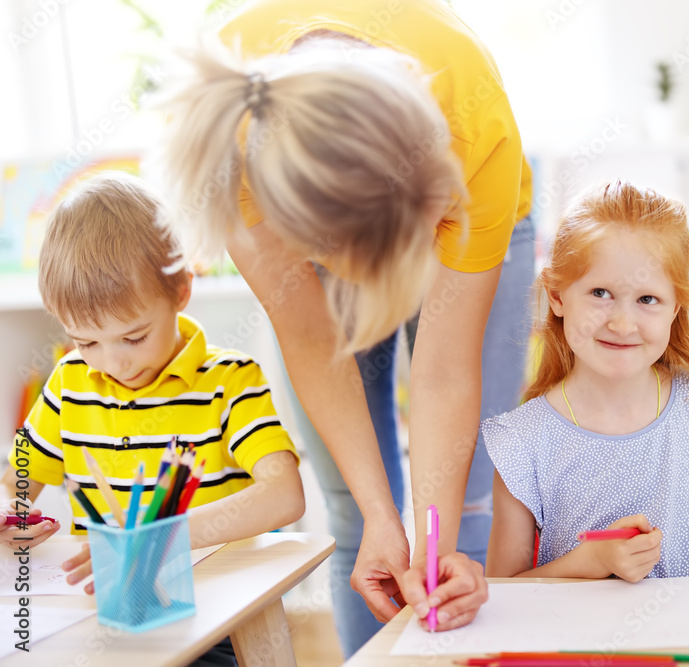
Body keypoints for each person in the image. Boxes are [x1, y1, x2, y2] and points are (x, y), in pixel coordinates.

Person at [155, 0, 533, 653]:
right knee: (360, 523)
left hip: (482, 204)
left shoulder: (473, 120)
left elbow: (444, 372)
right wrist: (383, 515)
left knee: (461, 519)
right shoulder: (237, 160)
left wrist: (435, 540)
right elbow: (310, 337)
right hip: (322, 211)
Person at [0, 173, 305, 663]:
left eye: (134, 336)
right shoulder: (69, 382)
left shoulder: (228, 382)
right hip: (106, 619)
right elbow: (19, 480)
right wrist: (10, 512)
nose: (113, 362)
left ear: (182, 287)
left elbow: (285, 495)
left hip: (215, 619)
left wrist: (161, 539)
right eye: (86, 341)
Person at [483, 180, 689, 581]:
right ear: (556, 295)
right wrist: (589, 562)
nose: (622, 323)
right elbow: (505, 593)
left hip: (684, 644)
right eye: (600, 292)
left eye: (647, 299)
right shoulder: (524, 443)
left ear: (676, 307)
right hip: (576, 644)